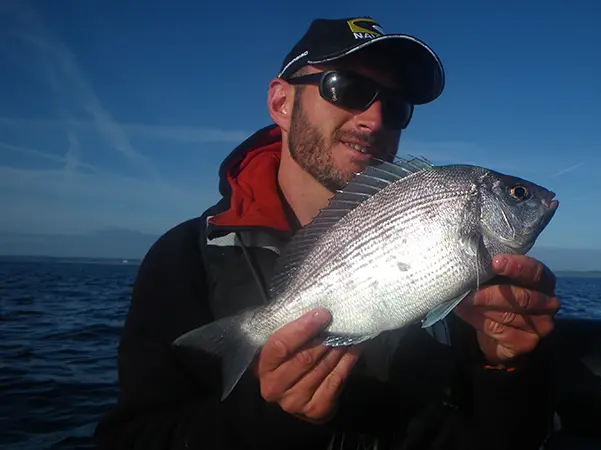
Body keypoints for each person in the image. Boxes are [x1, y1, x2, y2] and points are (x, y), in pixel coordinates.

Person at [94, 16, 561, 450]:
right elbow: (132, 439)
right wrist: (269, 418)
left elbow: (508, 437)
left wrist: (505, 367)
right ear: (281, 102)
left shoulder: (474, 278)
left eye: (396, 106)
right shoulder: (184, 258)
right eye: (347, 88)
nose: (374, 120)